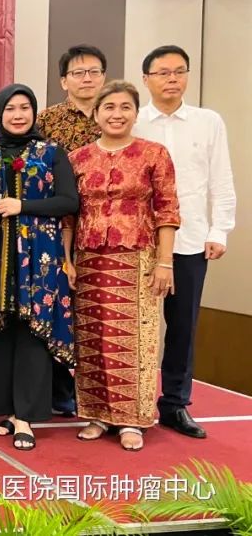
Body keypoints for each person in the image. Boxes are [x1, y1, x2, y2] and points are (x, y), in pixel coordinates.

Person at [67, 80, 180, 451]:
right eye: (109, 108)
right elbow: (70, 216)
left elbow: (167, 209)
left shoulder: (154, 154)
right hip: (88, 257)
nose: (117, 114)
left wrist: (165, 262)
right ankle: (97, 414)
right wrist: (68, 261)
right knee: (93, 337)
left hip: (138, 256)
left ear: (135, 112)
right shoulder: (79, 158)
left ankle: (132, 419)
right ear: (97, 114)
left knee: (134, 340)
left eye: (124, 107)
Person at [134, 45, 236, 439]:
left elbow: (221, 179)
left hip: (191, 241)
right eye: (162, 73)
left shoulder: (207, 121)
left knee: (182, 326)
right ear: (147, 80)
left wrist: (219, 229)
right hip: (140, 243)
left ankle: (175, 403)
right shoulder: (134, 121)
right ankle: (132, 401)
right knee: (136, 326)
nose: (172, 79)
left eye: (179, 71)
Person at [0, 83, 79, 451]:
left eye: (25, 108)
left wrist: (23, 207)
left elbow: (69, 200)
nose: (18, 115)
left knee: (33, 330)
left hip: (40, 253)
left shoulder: (51, 152)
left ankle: (27, 415)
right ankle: (3, 409)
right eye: (10, 109)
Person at [36, 44, 107, 419]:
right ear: (64, 81)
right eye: (78, 73)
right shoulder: (47, 121)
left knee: (100, 312)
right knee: (59, 307)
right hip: (57, 229)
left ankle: (98, 391)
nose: (87, 79)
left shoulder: (115, 114)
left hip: (106, 231)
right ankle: (61, 389)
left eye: (94, 72)